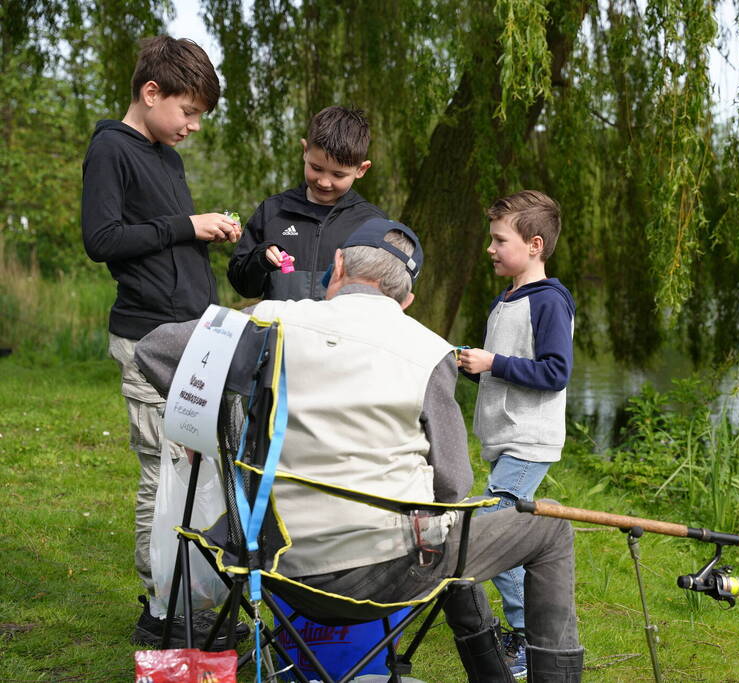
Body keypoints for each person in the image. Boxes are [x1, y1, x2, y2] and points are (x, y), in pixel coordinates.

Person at [136, 218, 585, 683]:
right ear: (406, 300)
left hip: (270, 560)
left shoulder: (269, 322)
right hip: (391, 573)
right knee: (545, 528)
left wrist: (207, 427)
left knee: (454, 530)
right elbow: (453, 487)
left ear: (337, 266)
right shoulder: (430, 352)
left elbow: (154, 350)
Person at [80, 34, 245, 648]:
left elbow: (166, 237)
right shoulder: (111, 148)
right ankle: (160, 606)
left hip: (191, 335)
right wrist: (186, 225)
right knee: (163, 469)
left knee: (200, 467)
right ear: (151, 93)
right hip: (147, 337)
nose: (193, 126)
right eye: (188, 111)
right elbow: (102, 239)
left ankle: (195, 593)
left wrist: (204, 232)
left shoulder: (166, 157)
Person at [457, 190, 575, 678]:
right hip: (504, 439)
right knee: (504, 532)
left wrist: (493, 363)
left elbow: (555, 372)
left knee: (497, 535)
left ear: (534, 245)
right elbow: (502, 371)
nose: (490, 248)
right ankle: (527, 632)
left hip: (529, 441)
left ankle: (527, 637)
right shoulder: (504, 300)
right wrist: (470, 366)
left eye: (499, 240)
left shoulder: (549, 302)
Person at [226, 105, 386, 301]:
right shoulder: (273, 211)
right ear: (305, 151)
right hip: (281, 321)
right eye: (316, 168)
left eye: (338, 175)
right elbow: (242, 285)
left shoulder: (371, 223)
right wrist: (261, 259)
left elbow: (382, 292)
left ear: (361, 169)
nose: (324, 182)